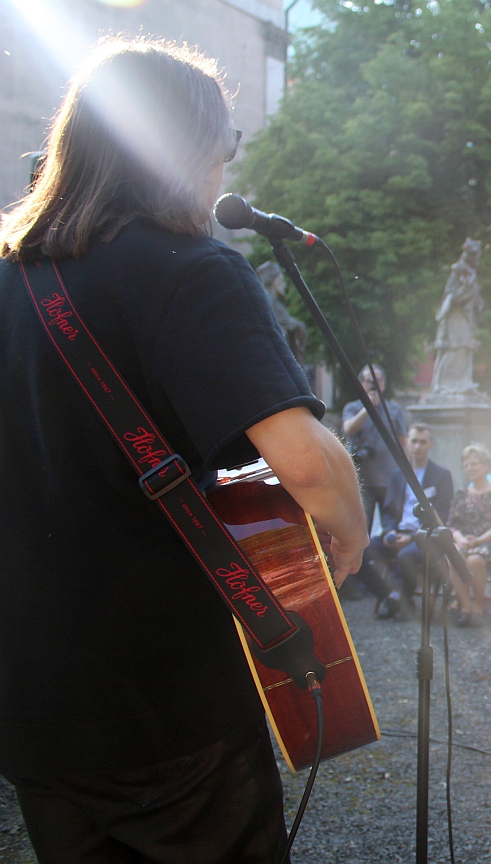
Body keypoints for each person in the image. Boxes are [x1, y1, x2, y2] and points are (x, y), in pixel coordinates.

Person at [0, 39, 368, 860]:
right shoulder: (190, 270)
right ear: (185, 148)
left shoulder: (12, 278)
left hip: (32, 708)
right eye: (227, 148)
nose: (225, 175)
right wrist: (353, 523)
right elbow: (308, 466)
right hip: (165, 704)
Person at [364, 423, 455, 620]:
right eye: (414, 441)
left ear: (430, 444)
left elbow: (441, 514)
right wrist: (389, 532)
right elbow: (388, 511)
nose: (418, 447)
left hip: (426, 537)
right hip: (398, 532)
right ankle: (389, 596)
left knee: (406, 555)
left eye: (423, 442)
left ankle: (404, 600)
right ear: (407, 443)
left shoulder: (441, 476)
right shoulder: (398, 475)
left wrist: (413, 537)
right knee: (362, 550)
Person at [444, 444, 491, 626]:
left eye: (473, 464)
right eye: (466, 465)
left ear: (485, 466)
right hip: (465, 542)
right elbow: (451, 524)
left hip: (490, 542)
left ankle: (479, 603)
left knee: (474, 561)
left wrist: (480, 540)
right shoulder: (461, 494)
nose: (469, 469)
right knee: (454, 557)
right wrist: (460, 540)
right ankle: (466, 607)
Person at [342, 363, 409, 533]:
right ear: (361, 383)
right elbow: (348, 428)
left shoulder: (393, 409)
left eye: (377, 380)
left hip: (389, 479)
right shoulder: (353, 407)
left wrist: (407, 473)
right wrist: (367, 408)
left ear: (384, 384)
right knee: (361, 529)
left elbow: (403, 442)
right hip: (363, 480)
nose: (373, 384)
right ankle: (364, 560)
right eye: (368, 381)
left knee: (392, 528)